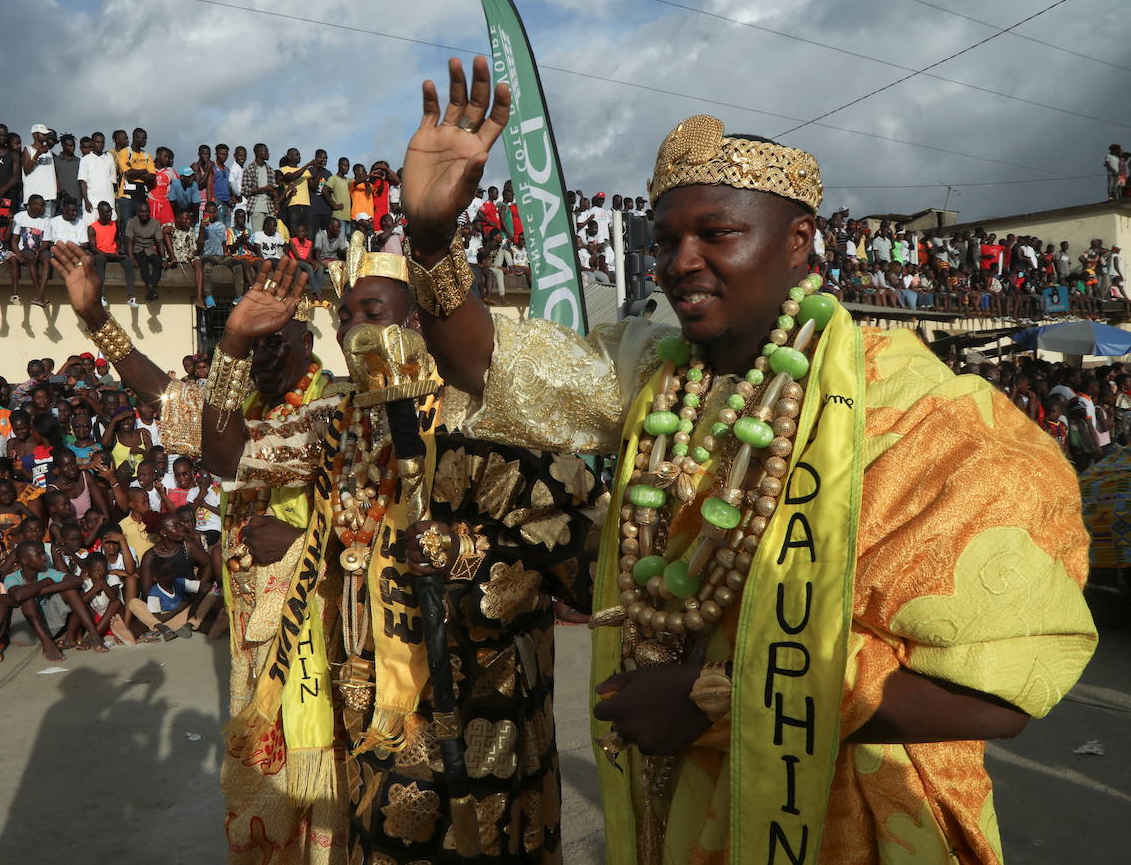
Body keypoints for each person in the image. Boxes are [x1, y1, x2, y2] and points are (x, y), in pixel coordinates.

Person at [397, 57, 1097, 863]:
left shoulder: (917, 411)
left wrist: (714, 702)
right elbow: (487, 364)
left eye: (716, 233)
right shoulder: (656, 374)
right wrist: (430, 236)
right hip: (676, 813)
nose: (681, 260)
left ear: (800, 240)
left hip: (843, 822)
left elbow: (992, 693)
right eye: (665, 240)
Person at [48, 244, 593, 864]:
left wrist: (456, 553)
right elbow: (222, 452)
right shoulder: (338, 422)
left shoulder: (484, 407)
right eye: (347, 316)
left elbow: (565, 543)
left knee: (489, 837)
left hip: (479, 677)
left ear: (415, 321)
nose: (357, 328)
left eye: (374, 313)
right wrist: (230, 341)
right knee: (385, 832)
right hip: (368, 677)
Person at [0, 539, 108, 661]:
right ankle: (47, 644)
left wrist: (44, 589)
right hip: (25, 634)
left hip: (48, 626)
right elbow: (18, 595)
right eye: (38, 555)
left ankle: (94, 634)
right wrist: (44, 583)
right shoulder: (12, 577)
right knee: (27, 599)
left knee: (70, 590)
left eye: (43, 554)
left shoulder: (47, 573)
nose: (44, 558)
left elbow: (77, 581)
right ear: (24, 561)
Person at [125, 200, 165, 302]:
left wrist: (164, 258)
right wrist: (131, 258)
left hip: (150, 250)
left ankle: (151, 288)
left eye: (146, 212)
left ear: (150, 211)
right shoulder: (131, 222)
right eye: (141, 212)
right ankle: (151, 289)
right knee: (143, 263)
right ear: (137, 212)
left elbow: (159, 242)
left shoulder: (155, 223)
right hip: (137, 250)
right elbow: (129, 241)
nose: (144, 214)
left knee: (157, 262)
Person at [78, 131, 117, 222]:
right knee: (91, 231)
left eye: (102, 142)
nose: (100, 144)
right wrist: (86, 201)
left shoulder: (109, 158)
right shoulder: (85, 160)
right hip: (92, 205)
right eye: (97, 142)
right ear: (92, 143)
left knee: (109, 231)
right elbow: (82, 182)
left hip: (109, 204)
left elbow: (113, 181)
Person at [21, 125, 58, 218]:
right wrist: (37, 154)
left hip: (48, 196)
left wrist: (56, 192)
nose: (45, 136)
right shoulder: (28, 149)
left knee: (47, 226)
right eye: (43, 134)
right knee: (32, 226)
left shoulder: (49, 152)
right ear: (35, 135)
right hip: (33, 197)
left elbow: (53, 174)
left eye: (46, 134)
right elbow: (26, 170)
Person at [241, 142, 278, 232]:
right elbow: (244, 190)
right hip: (256, 207)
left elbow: (274, 189)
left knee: (273, 235)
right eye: (265, 151)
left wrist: (276, 204)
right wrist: (263, 189)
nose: (268, 153)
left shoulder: (270, 170)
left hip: (269, 207)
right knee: (258, 235)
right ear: (258, 153)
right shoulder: (249, 169)